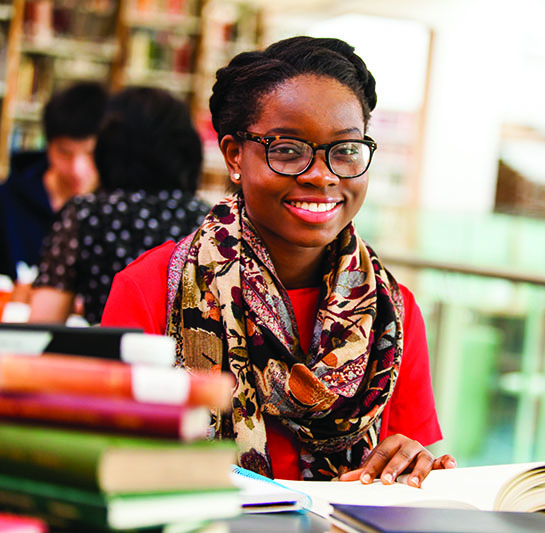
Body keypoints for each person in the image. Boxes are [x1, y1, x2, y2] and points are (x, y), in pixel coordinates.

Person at [101, 36, 455, 485]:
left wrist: (410, 462)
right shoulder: (150, 289)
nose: (322, 174)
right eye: (288, 150)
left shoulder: (392, 311)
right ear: (234, 156)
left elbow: (406, 463)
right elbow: (111, 465)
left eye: (345, 150)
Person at [27, 87, 210, 325]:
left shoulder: (86, 215)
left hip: (112, 356)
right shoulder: (206, 219)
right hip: (188, 360)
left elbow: (43, 323)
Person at [0, 81, 108, 280]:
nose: (77, 170)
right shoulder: (8, 200)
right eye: (65, 153)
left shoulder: (117, 210)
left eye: (91, 154)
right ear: (47, 146)